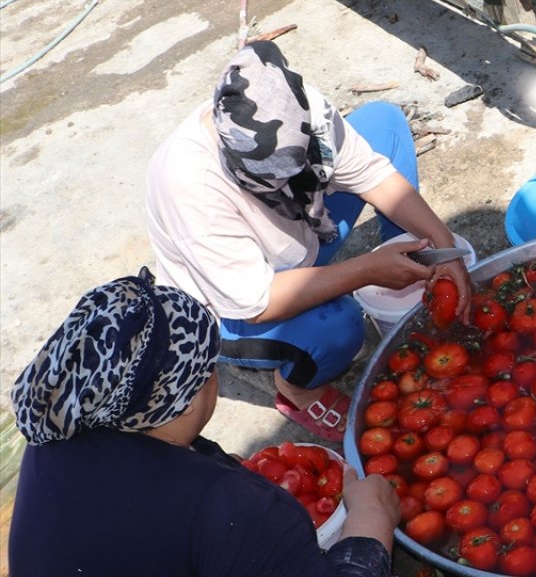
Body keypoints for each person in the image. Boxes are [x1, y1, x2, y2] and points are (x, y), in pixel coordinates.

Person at [146, 40, 471, 441]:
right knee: (338, 326)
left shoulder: (300, 110)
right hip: (232, 307)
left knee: (384, 125)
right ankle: (297, 389)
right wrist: (365, 272)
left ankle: (403, 256)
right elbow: (256, 303)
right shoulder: (188, 184)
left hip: (301, 237)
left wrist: (440, 244)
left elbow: (371, 174)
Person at [8, 272, 401, 576]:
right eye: (210, 365)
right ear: (189, 396)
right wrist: (371, 524)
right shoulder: (225, 506)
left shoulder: (56, 433)